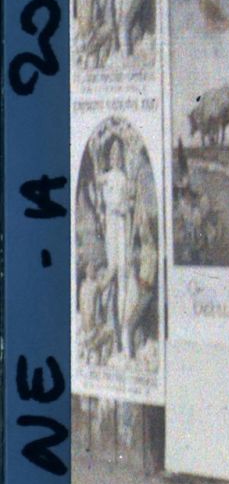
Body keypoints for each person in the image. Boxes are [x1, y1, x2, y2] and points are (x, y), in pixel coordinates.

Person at [93, 135, 138, 358]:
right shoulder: (107, 178)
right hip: (112, 227)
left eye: (118, 154)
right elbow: (107, 202)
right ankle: (110, 332)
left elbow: (128, 208)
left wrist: (126, 210)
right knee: (112, 273)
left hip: (122, 228)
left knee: (124, 275)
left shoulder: (125, 178)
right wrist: (116, 206)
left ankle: (124, 335)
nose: (115, 157)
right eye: (112, 154)